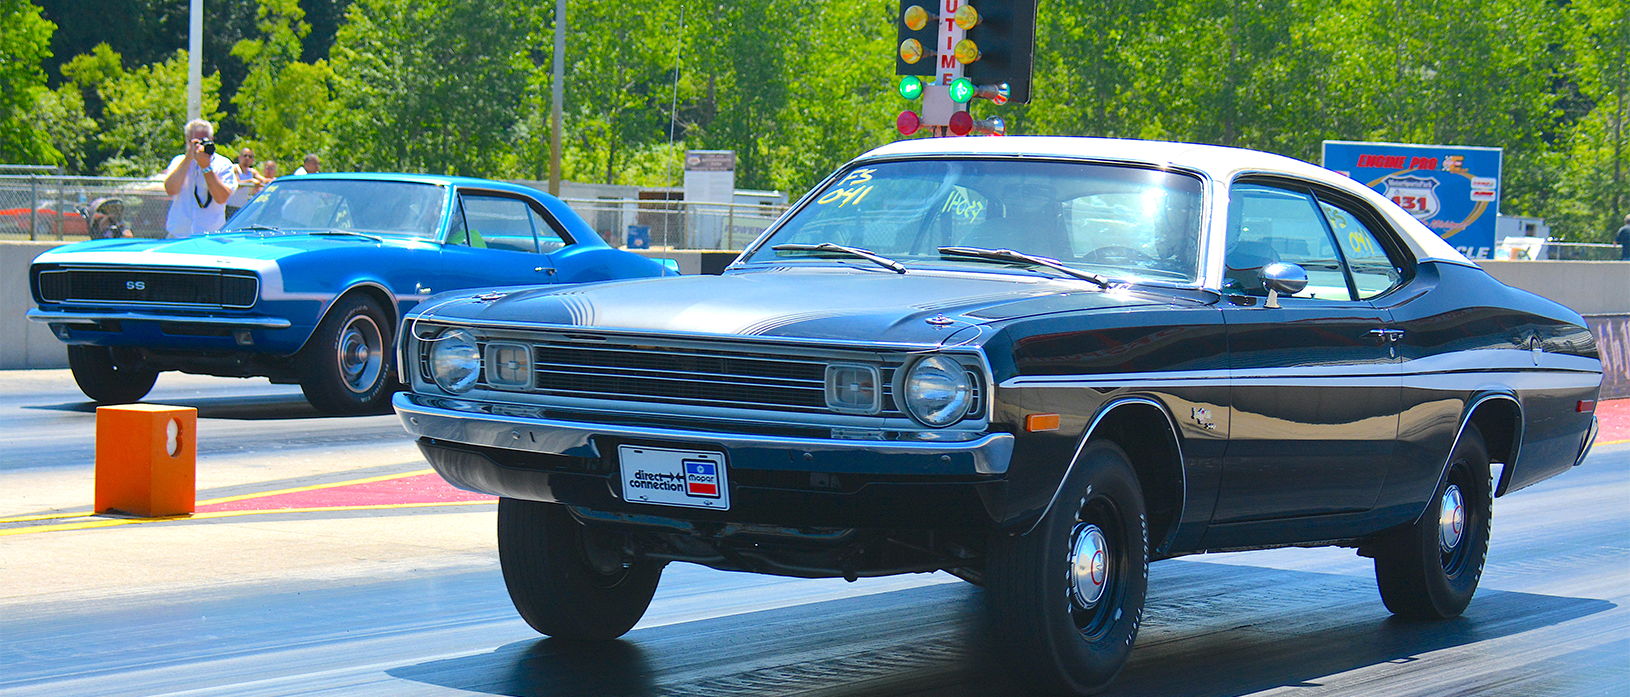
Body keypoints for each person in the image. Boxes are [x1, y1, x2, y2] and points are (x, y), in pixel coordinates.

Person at [162, 118, 238, 238]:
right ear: (188, 141)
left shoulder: (223, 164)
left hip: (210, 236)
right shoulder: (178, 161)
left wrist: (206, 168)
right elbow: (171, 190)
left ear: (211, 140)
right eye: (195, 141)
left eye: (203, 140)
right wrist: (188, 159)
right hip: (178, 234)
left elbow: (222, 198)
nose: (199, 145)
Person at [224, 147, 261, 217]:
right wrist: (251, 181)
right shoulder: (235, 168)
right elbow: (236, 184)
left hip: (243, 208)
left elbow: (262, 179)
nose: (247, 158)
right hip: (231, 207)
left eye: (250, 156)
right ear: (240, 157)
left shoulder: (252, 172)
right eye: (245, 156)